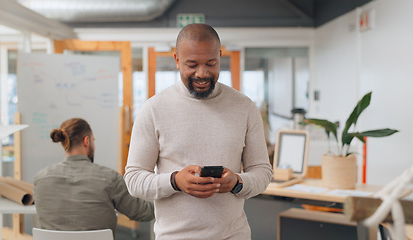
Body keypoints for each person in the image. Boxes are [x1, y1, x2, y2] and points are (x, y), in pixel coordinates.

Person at [124, 23, 273, 239]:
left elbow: (262, 172)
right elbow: (134, 180)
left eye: (211, 64)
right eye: (191, 64)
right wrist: (175, 181)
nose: (202, 73)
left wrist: (237, 182)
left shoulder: (245, 107)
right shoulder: (153, 109)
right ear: (176, 60)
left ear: (220, 56)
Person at [34, 118, 154, 233]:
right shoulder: (110, 178)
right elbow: (143, 212)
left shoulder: (40, 179)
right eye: (93, 140)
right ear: (86, 141)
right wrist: (166, 185)